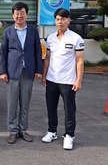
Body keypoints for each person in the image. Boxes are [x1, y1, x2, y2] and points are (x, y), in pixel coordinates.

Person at [0, 2, 43, 144]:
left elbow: (37, 51)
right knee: (12, 103)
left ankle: (23, 130)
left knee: (25, 103)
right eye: (17, 13)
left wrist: (38, 70)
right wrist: (3, 71)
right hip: (12, 72)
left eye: (22, 12)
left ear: (27, 15)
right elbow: (3, 53)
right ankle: (13, 131)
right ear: (13, 15)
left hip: (28, 71)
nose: (19, 16)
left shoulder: (33, 31)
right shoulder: (8, 32)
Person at [41, 8, 84, 150]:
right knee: (51, 108)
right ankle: (52, 131)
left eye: (63, 19)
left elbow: (80, 61)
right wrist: (44, 75)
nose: (60, 22)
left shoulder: (76, 38)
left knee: (69, 110)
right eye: (58, 19)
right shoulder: (51, 38)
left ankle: (69, 135)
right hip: (52, 79)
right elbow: (47, 58)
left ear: (69, 20)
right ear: (55, 21)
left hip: (68, 80)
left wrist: (79, 80)